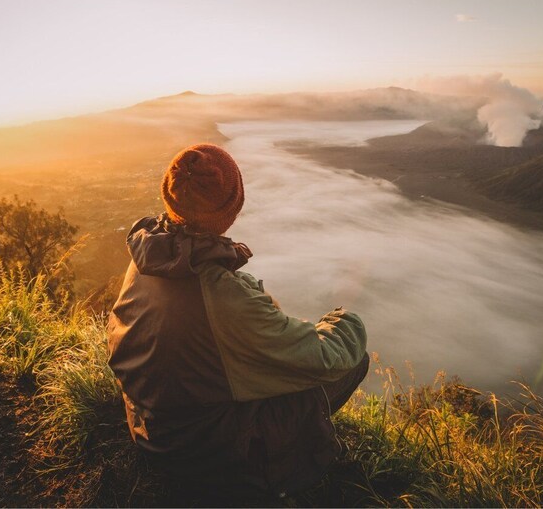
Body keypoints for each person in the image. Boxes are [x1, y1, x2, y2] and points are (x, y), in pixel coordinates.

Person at [107, 143, 369, 498]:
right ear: (231, 207)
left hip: (151, 431)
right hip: (203, 457)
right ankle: (287, 465)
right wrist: (345, 315)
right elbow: (325, 357)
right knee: (352, 361)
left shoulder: (149, 256)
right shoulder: (221, 294)